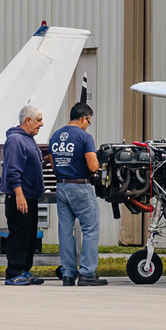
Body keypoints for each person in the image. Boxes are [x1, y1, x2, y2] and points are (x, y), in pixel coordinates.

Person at [49, 102, 107, 286]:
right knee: (90, 230)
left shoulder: (55, 136)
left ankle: (68, 274)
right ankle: (87, 274)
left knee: (65, 231)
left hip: (61, 186)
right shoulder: (85, 137)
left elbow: (52, 163)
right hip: (80, 187)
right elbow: (93, 166)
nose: (87, 125)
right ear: (84, 118)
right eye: (88, 121)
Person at [1, 106, 46, 285]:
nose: (41, 124)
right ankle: (14, 273)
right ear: (28, 120)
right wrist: (19, 195)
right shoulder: (16, 140)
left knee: (29, 235)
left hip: (30, 196)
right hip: (21, 197)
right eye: (38, 120)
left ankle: (24, 271)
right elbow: (13, 170)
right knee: (19, 234)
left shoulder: (28, 140)